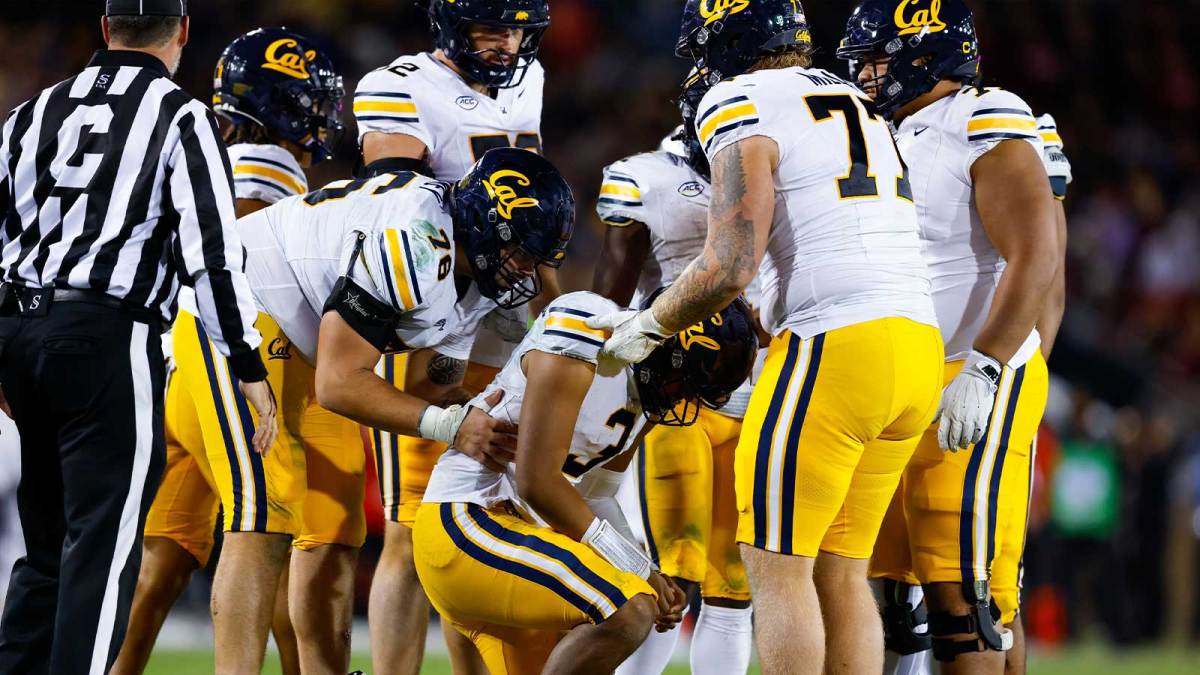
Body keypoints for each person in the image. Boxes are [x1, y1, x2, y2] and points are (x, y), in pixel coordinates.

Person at [587, 1, 946, 673]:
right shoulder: (854, 97)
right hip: (917, 341)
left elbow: (730, 261)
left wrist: (648, 325)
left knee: (776, 567)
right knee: (841, 571)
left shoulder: (739, 96)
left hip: (834, 346)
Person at [0, 1, 277, 672]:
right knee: (104, 543)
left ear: (104, 28)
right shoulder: (182, 117)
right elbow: (210, 253)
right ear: (182, 32)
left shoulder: (27, 116)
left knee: (45, 548)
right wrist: (247, 362)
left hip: (20, 329)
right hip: (105, 335)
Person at [836, 1, 1062, 673]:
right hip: (905, 377)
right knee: (895, 589)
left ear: (922, 53)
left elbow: (1038, 253)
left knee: (966, 593)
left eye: (878, 55)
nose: (865, 71)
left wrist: (991, 368)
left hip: (973, 370)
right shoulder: (895, 131)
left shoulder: (982, 116)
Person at [110, 27, 342, 675]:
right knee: (264, 518)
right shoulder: (263, 173)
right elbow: (239, 259)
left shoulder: (210, 157)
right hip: (231, 351)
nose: (324, 116)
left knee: (163, 553)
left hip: (176, 361)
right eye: (313, 102)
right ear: (284, 107)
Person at [352, 1, 557, 671]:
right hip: (428, 312)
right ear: (450, 24)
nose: (507, 44)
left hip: (505, 314)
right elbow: (390, 215)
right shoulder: (400, 84)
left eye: (517, 29)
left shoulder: (530, 80)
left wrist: (556, 312)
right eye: (490, 28)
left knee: (487, 505)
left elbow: (534, 206)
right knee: (412, 526)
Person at [413, 289, 759, 675]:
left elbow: (598, 496)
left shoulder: (647, 399)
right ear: (670, 350)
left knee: (627, 604)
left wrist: (646, 568)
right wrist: (636, 571)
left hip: (517, 547)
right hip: (470, 519)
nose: (684, 399)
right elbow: (536, 482)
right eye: (686, 383)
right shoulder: (590, 324)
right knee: (628, 611)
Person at [593, 70, 758, 675]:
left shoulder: (789, 167)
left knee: (734, 589)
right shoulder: (648, 177)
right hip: (675, 401)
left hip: (760, 400)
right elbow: (605, 302)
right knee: (666, 579)